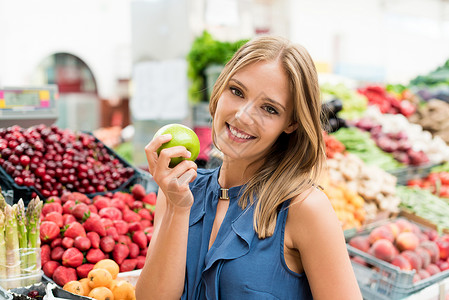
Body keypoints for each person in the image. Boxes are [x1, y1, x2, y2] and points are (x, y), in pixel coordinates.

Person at [136, 35, 362, 300]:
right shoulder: (179, 190)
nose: (242, 116)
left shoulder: (305, 208)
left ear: (292, 124)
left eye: (269, 109)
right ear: (220, 89)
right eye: (237, 91)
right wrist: (178, 206)